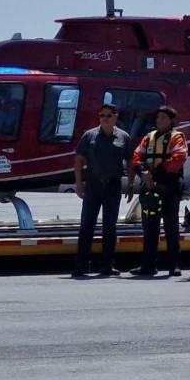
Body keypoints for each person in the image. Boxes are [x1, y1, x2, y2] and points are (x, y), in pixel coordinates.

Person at [73, 103, 133, 277]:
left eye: (108, 115)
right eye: (102, 115)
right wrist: (78, 183)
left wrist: (130, 184)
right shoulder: (89, 136)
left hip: (113, 186)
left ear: (116, 116)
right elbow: (78, 160)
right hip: (93, 185)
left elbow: (130, 162)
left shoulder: (124, 137)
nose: (104, 118)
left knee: (110, 227)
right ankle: (81, 265)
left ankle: (107, 265)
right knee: (87, 226)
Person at [131, 105, 188, 277]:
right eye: (158, 118)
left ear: (171, 120)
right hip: (150, 186)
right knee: (149, 227)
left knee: (171, 226)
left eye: (164, 117)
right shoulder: (149, 137)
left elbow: (179, 158)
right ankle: (148, 265)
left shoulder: (177, 137)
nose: (160, 120)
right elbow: (136, 156)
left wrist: (153, 173)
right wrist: (143, 172)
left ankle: (174, 265)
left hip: (169, 185)